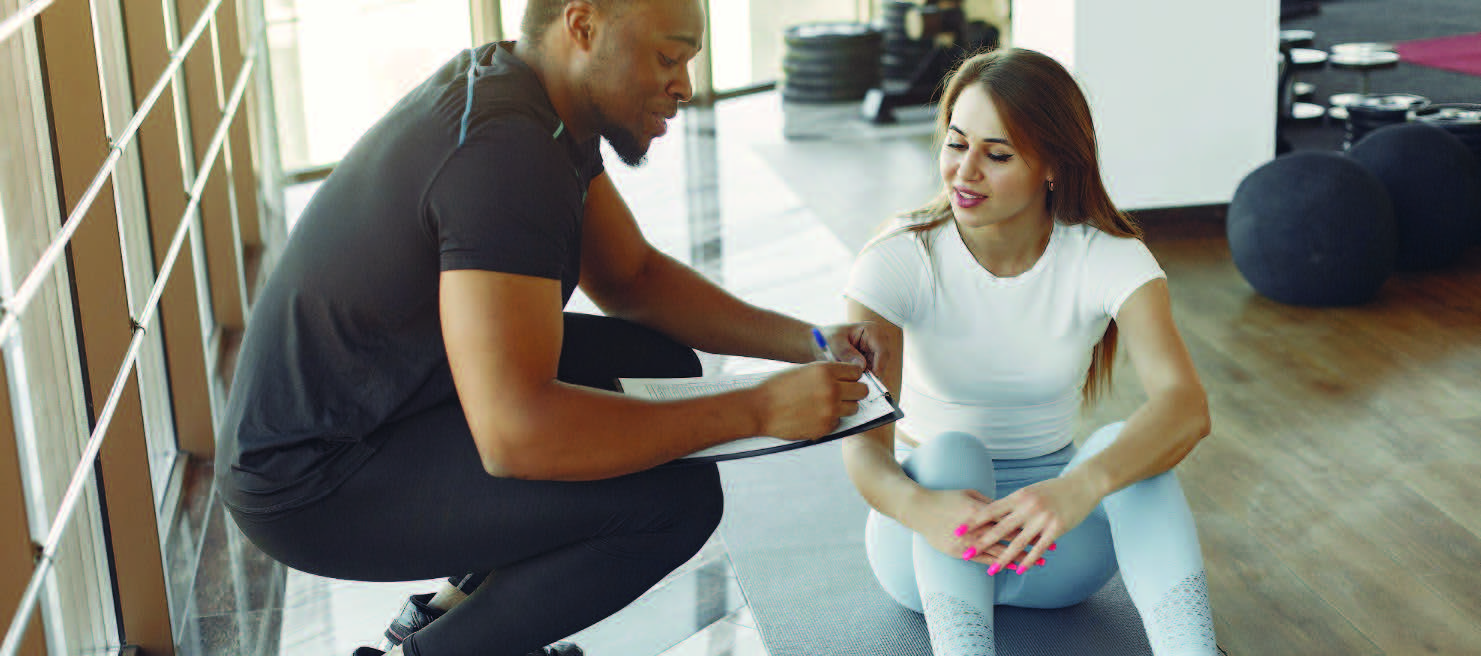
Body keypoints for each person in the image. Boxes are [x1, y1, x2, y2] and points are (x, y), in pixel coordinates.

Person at [215, 1, 883, 655]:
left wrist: (808, 341)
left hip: (388, 405)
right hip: (314, 480)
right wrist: (758, 406)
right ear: (583, 24)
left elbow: (633, 279)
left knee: (654, 367)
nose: (682, 86)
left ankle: (450, 612)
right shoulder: (505, 153)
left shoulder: (532, 101)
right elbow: (516, 436)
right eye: (667, 57)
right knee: (673, 502)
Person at [841, 48, 1219, 655]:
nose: (965, 172)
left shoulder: (1107, 256)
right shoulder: (896, 259)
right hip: (924, 547)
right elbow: (864, 450)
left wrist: (1078, 487)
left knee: (1127, 451)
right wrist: (923, 510)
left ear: (1052, 166)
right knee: (952, 453)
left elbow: (1186, 407)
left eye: (996, 155)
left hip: (1055, 546)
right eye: (955, 144)